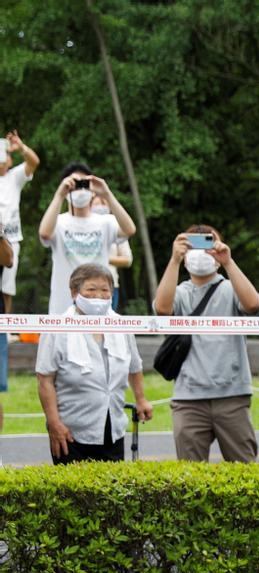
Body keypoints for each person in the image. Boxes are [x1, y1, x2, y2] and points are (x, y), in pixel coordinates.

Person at [153, 225, 259, 463]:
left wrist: (229, 262)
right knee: (190, 479)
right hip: (188, 399)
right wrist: (174, 260)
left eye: (208, 245)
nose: (201, 253)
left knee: (244, 471)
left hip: (232, 395)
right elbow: (162, 309)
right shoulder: (180, 292)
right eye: (193, 246)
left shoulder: (230, 288)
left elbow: (253, 304)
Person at [35, 264, 152, 462]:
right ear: (74, 292)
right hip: (71, 432)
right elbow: (44, 379)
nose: (98, 296)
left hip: (113, 427)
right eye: (91, 289)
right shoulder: (57, 327)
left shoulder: (122, 325)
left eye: (105, 290)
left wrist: (141, 399)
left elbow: (134, 366)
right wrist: (53, 423)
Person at [38, 163, 135, 315]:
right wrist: (59, 195)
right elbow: (44, 233)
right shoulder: (58, 222)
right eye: (74, 184)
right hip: (62, 306)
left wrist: (106, 194)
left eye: (84, 183)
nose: (79, 190)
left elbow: (129, 229)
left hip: (97, 305)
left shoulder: (105, 222)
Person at [0, 130, 41, 442]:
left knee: (8, 285)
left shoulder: (14, 177)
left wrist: (19, 146)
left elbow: (34, 161)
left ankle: (8, 325)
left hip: (8, 238)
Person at [90, 193, 133, 311]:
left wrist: (103, 258)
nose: (100, 207)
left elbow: (128, 260)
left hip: (109, 286)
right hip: (85, 286)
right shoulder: (82, 228)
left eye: (103, 204)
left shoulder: (115, 228)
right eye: (96, 204)